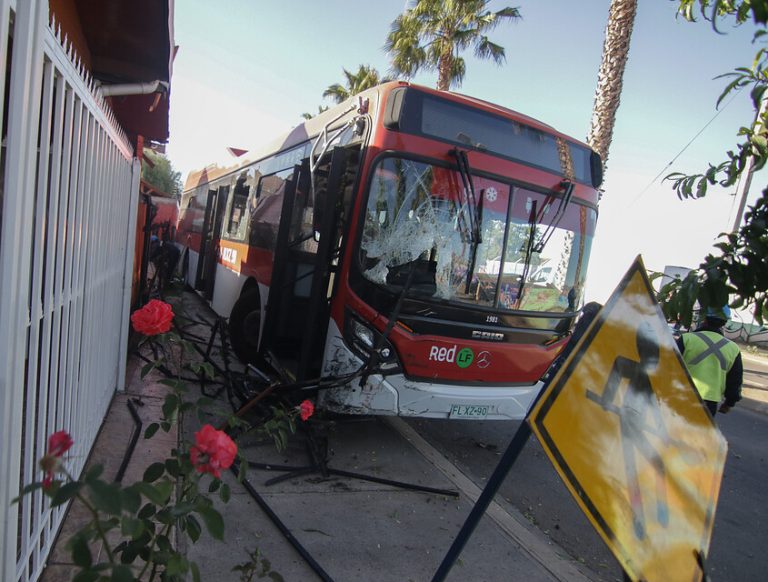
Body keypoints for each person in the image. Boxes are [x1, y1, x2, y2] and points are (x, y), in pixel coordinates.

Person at [676, 306, 743, 416]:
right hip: (709, 403)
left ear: (704, 319)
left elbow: (668, 366)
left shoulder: (686, 339)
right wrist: (729, 403)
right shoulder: (733, 348)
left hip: (679, 396)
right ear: (724, 322)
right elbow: (735, 380)